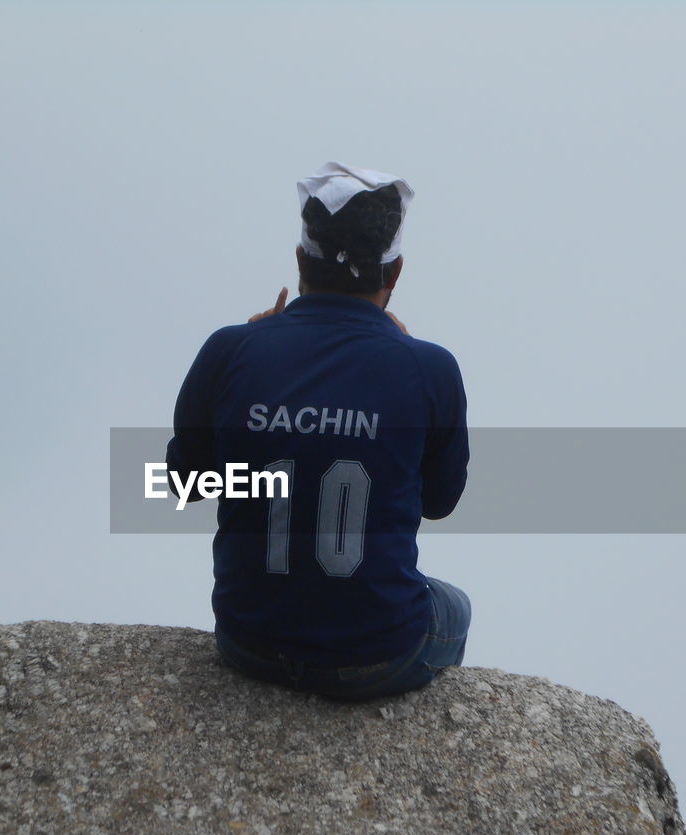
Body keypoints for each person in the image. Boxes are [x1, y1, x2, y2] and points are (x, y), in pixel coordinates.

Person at [165, 161, 470, 701]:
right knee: (456, 605)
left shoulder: (228, 349)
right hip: (378, 658)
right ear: (394, 272)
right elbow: (440, 502)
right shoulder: (431, 369)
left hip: (248, 643)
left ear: (301, 258)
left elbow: (183, 484)